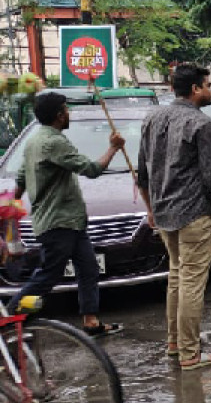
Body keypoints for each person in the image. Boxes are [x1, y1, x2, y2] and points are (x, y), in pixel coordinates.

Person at [10, 92, 126, 337]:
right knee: (48, 275)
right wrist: (113, 148)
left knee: (89, 269)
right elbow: (92, 169)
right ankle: (11, 317)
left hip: (71, 221)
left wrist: (12, 204)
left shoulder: (34, 140)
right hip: (58, 222)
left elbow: (21, 178)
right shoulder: (53, 142)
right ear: (59, 115)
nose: (68, 113)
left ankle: (91, 321)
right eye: (66, 110)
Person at [137, 64, 211, 370]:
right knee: (190, 281)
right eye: (208, 85)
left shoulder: (152, 118)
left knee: (177, 276)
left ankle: (175, 343)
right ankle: (190, 353)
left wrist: (151, 208)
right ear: (195, 89)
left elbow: (143, 174)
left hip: (163, 211)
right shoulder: (202, 124)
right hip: (193, 213)